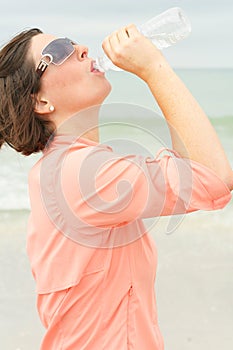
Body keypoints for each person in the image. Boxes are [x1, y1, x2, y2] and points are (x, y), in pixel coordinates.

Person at [0, 25, 232, 350]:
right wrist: (154, 69)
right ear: (40, 101)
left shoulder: (60, 171)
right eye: (60, 51)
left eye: (71, 41)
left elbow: (194, 170)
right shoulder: (80, 174)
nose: (81, 47)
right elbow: (214, 178)